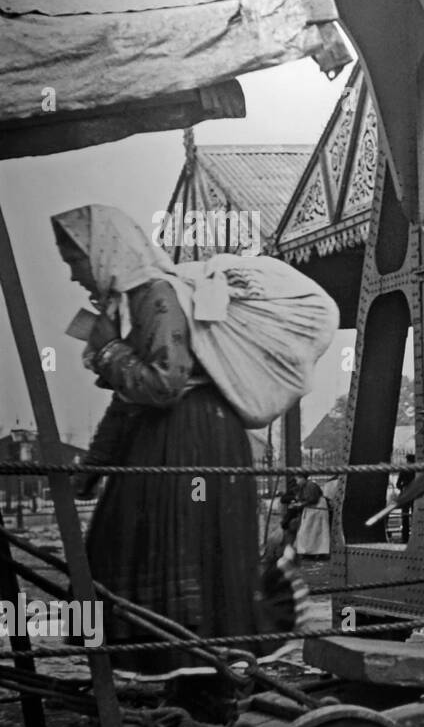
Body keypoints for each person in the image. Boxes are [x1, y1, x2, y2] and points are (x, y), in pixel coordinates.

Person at [53, 205, 294, 676]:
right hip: (173, 440)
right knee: (125, 541)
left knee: (179, 549)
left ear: (103, 253)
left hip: (191, 441)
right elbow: (127, 401)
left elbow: (165, 382)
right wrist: (90, 471)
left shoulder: (156, 295)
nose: (73, 275)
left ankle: (208, 677)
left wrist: (107, 349)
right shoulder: (129, 304)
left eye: (76, 261)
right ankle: (188, 677)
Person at [395, 453, 417, 543]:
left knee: (405, 516)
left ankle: (405, 538)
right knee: (415, 516)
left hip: (405, 495)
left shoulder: (404, 470)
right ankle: (415, 537)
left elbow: (398, 484)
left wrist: (403, 486)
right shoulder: (416, 470)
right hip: (415, 494)